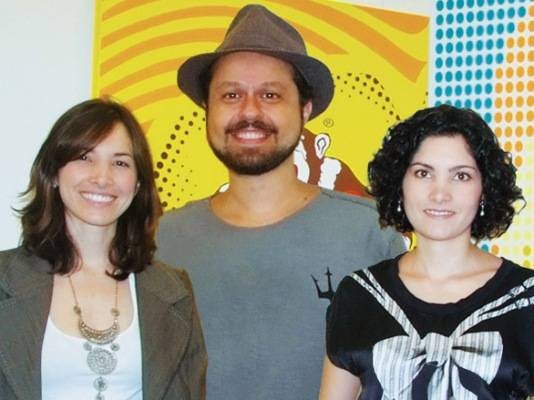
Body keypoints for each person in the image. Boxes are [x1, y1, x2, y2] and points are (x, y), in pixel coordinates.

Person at [156, 4, 405, 399]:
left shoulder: (371, 235)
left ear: (305, 110)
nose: (249, 111)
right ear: (208, 108)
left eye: (270, 94)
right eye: (231, 94)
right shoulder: (164, 241)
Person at [320, 104, 531, 399]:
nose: (440, 193)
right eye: (423, 173)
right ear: (400, 185)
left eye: (461, 176)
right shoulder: (359, 294)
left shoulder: (526, 298)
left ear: (484, 189)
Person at [0, 99, 206, 400]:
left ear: (137, 185)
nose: (102, 177)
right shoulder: (5, 280)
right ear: (54, 173)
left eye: (120, 163)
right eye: (85, 157)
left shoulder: (174, 290)